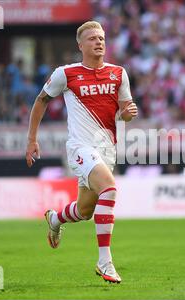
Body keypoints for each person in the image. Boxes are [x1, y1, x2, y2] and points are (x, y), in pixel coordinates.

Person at [25, 21, 138, 284]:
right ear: (80, 45)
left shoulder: (119, 73)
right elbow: (41, 100)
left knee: (86, 210)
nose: (98, 42)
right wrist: (32, 138)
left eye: (101, 38)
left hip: (106, 150)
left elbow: (124, 112)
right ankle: (105, 262)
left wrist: (127, 114)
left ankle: (55, 218)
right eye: (92, 39)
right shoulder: (66, 74)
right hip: (80, 148)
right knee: (109, 188)